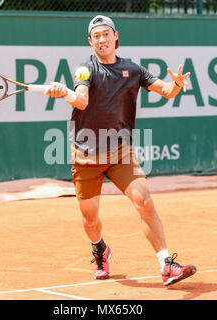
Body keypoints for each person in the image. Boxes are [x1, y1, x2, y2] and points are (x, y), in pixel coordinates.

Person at [45, 15, 196, 286]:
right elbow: (81, 101)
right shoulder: (86, 68)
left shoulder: (133, 69)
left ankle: (166, 264)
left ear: (116, 36)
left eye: (106, 34)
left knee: (144, 201)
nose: (102, 40)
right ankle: (100, 250)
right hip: (86, 155)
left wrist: (175, 84)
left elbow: (166, 92)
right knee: (90, 219)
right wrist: (65, 92)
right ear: (90, 42)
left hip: (120, 153)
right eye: (96, 36)